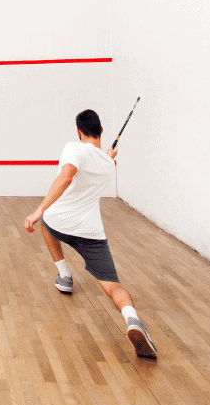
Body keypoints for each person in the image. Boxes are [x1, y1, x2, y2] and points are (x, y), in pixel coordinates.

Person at [24, 109, 157, 358]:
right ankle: (132, 320)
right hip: (91, 232)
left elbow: (67, 175)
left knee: (45, 222)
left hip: (59, 222)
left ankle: (64, 276)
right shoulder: (108, 164)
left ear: (78, 132)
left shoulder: (74, 148)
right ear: (102, 131)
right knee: (113, 286)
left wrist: (39, 210)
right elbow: (96, 164)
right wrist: (108, 157)